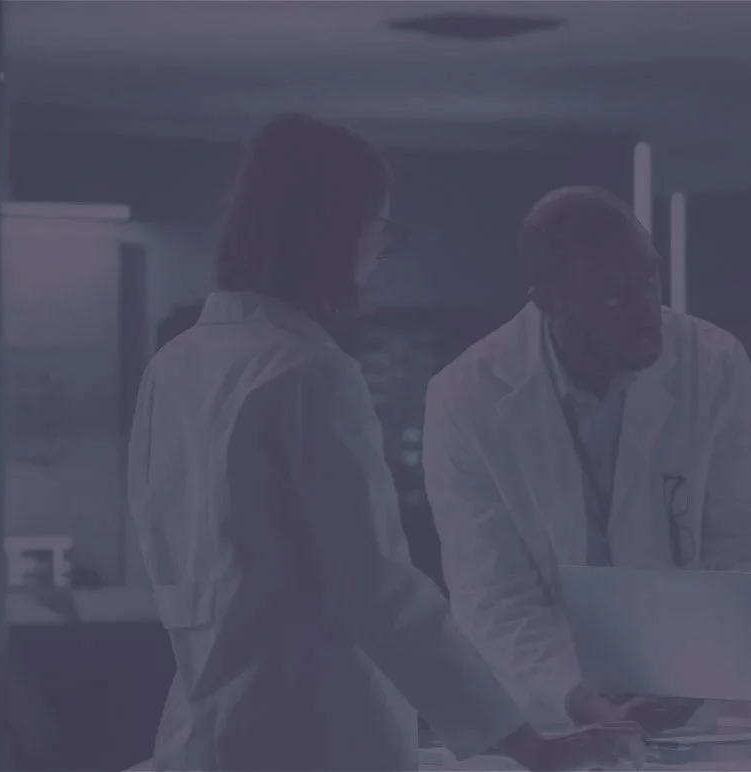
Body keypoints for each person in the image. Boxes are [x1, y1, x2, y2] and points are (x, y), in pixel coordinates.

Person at [125, 114, 634, 771]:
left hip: (202, 736)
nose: (376, 254)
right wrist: (522, 742)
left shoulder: (177, 364)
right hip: (310, 738)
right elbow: (378, 591)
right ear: (335, 230)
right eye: (379, 228)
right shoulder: (307, 371)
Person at [424, 186, 751, 732]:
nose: (648, 312)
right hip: (551, 719)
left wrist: (704, 662)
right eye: (615, 298)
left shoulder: (712, 363)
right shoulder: (466, 398)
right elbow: (495, 599)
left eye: (650, 278)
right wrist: (580, 696)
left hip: (685, 708)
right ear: (549, 303)